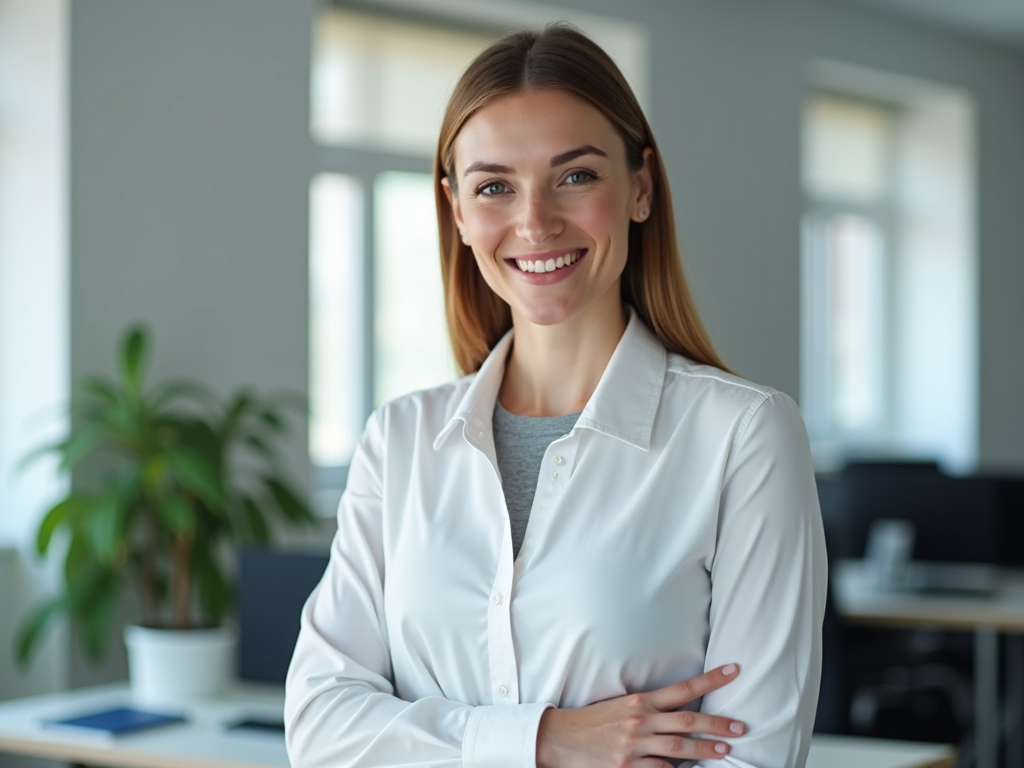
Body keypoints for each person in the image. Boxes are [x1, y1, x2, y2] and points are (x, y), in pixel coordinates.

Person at [285, 24, 826, 768]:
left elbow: (751, 756)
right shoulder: (400, 439)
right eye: (495, 186)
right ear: (457, 211)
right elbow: (320, 724)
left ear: (640, 186)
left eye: (575, 176)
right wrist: (544, 741)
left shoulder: (744, 437)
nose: (534, 221)